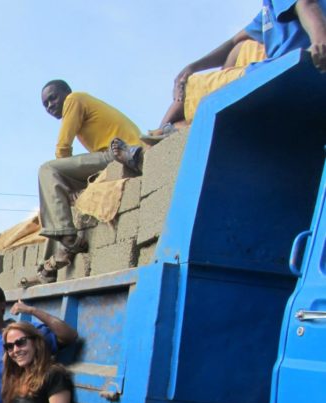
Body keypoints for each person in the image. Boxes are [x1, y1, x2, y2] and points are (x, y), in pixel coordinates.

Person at [149, 0, 326, 138]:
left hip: (284, 72)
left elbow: (306, 5)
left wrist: (320, 39)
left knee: (191, 86)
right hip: (278, 75)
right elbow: (234, 41)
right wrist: (192, 66)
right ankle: (174, 132)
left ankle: (157, 141)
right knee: (240, 48)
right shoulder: (266, 12)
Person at [36, 80, 142, 281]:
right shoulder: (78, 102)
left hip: (119, 152)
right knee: (52, 199)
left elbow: (63, 147)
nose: (49, 106)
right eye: (45, 104)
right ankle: (50, 265)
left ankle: (68, 237)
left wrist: (62, 177)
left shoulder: (74, 99)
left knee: (47, 170)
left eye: (52, 98)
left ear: (66, 92)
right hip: (110, 157)